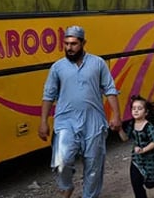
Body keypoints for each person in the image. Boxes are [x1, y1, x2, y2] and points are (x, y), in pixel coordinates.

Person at [39, 25, 122, 198]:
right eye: (66, 44)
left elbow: (110, 89)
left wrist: (116, 115)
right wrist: (43, 121)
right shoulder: (57, 67)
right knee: (62, 160)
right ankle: (66, 186)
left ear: (83, 43)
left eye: (74, 44)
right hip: (65, 121)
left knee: (93, 165)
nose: (69, 48)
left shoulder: (98, 63)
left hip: (94, 121)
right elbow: (48, 95)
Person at [119, 96, 154, 198]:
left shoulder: (149, 127)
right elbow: (125, 138)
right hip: (136, 159)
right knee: (136, 182)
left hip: (149, 158)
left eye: (139, 109)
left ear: (146, 112)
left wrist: (143, 150)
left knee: (149, 183)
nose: (136, 111)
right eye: (134, 108)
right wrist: (119, 129)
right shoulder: (132, 124)